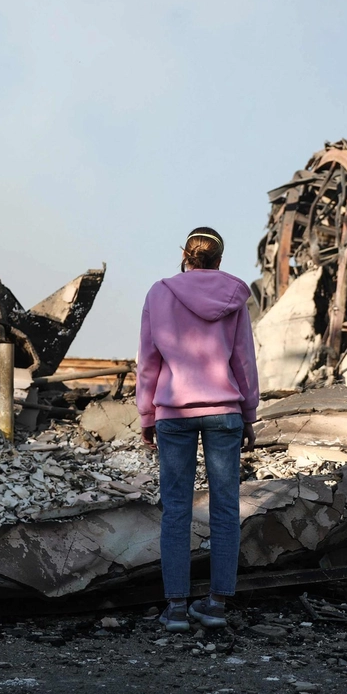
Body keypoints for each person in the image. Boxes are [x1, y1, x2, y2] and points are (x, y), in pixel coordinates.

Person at [138, 227, 259, 632]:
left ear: (185, 257)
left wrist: (146, 415)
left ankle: (174, 608)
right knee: (225, 509)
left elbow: (148, 361)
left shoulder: (159, 293)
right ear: (219, 261)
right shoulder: (234, 296)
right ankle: (217, 604)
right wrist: (249, 412)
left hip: (173, 412)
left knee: (176, 509)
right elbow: (243, 359)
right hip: (224, 410)